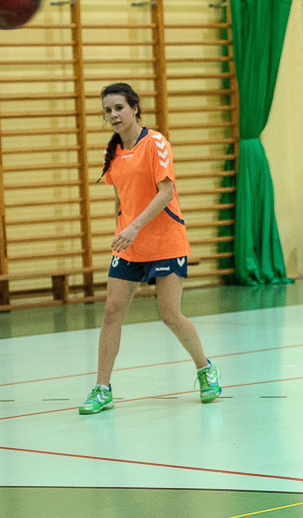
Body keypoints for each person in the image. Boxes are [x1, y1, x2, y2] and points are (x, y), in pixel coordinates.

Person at [78, 83, 221, 415]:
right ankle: (102, 389)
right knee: (111, 313)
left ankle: (205, 368)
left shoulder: (156, 143)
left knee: (170, 315)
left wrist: (134, 226)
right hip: (129, 245)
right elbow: (121, 196)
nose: (113, 115)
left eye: (118, 108)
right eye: (107, 110)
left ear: (134, 108)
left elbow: (166, 192)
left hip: (165, 241)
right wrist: (121, 228)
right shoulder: (112, 152)